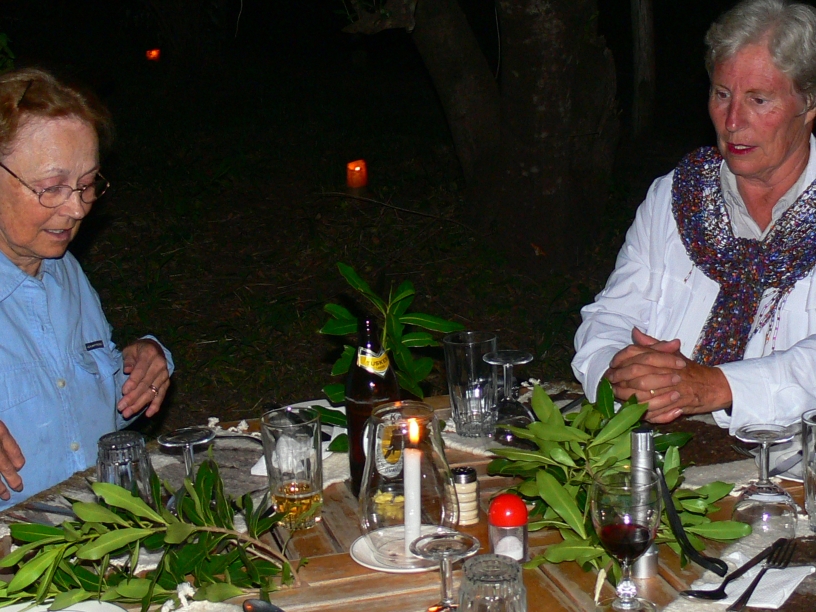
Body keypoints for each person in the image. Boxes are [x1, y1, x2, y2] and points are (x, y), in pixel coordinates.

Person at [573, 0, 816, 435]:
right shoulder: (679, 195)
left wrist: (719, 385)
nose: (733, 121)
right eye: (722, 94)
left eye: (759, 99)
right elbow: (609, 317)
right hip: (662, 455)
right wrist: (621, 374)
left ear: (809, 104)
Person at [0, 67, 173, 508]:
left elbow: (80, 416)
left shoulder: (65, 271)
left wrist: (141, 367)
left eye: (87, 184)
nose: (77, 209)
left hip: (93, 535)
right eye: (52, 187)